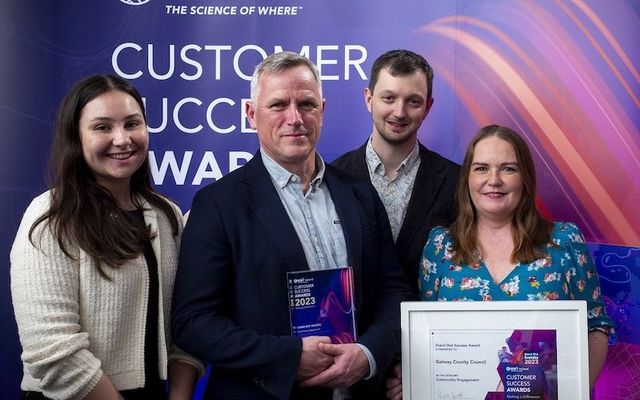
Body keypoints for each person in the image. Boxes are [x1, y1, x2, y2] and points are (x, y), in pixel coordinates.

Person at [171, 51, 412, 399]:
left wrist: (368, 354)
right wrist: (289, 357)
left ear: (323, 111)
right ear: (251, 115)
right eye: (278, 105)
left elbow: (394, 291)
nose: (295, 118)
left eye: (307, 104)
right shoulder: (218, 205)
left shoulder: (359, 194)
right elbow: (193, 324)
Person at [385, 125, 615, 399]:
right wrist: (413, 377)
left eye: (508, 168)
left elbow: (595, 327)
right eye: (481, 168)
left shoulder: (564, 242)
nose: (494, 180)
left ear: (525, 178)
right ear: (467, 178)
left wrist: (574, 390)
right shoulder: (440, 247)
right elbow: (425, 336)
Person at [10, 74, 203, 400]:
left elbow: (187, 324)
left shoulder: (166, 215)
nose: (122, 139)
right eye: (102, 127)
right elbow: (51, 351)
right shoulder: (50, 217)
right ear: (76, 137)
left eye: (132, 124)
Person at [333, 49, 460, 298]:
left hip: (431, 330)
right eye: (389, 98)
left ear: (428, 107)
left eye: (413, 101)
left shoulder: (457, 182)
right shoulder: (332, 178)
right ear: (369, 99)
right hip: (359, 333)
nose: (399, 112)